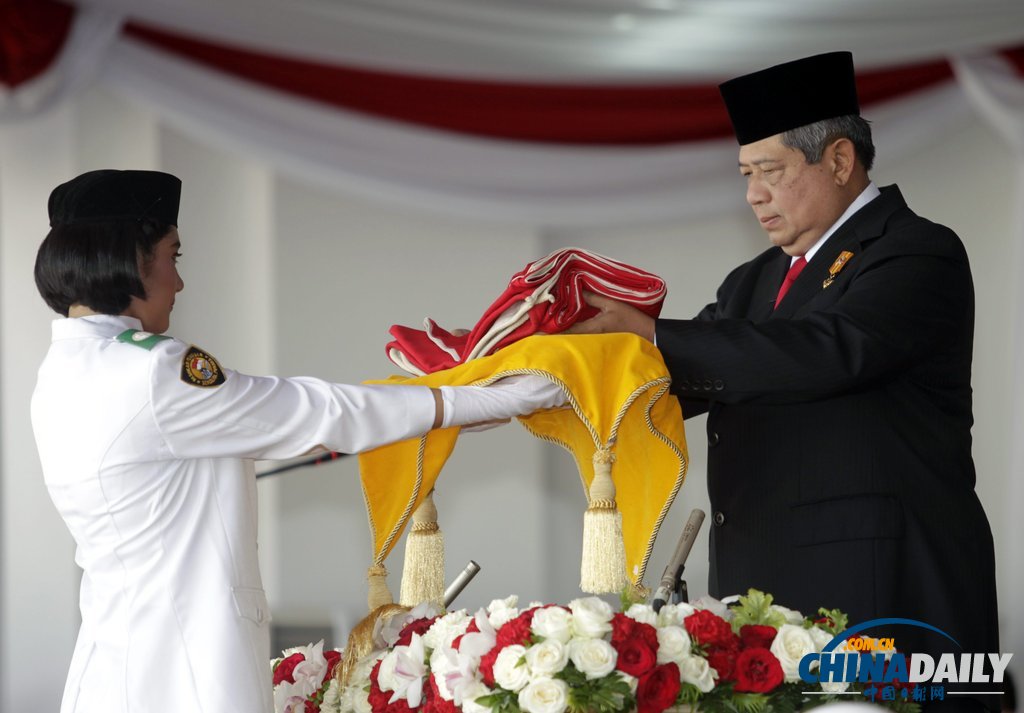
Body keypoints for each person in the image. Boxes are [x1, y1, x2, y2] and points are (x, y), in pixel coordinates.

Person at [30, 169, 566, 713]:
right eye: (174, 256)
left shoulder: (63, 373)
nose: (180, 281)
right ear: (128, 258)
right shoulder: (151, 372)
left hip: (114, 670)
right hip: (184, 672)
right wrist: (500, 398)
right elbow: (318, 411)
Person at [571, 52, 1000, 711]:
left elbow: (828, 350)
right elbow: (678, 381)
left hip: (883, 598)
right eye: (745, 174)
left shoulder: (916, 250)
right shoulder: (753, 281)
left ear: (837, 160)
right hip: (765, 604)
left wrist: (653, 335)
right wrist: (551, 377)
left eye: (768, 171)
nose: (752, 194)